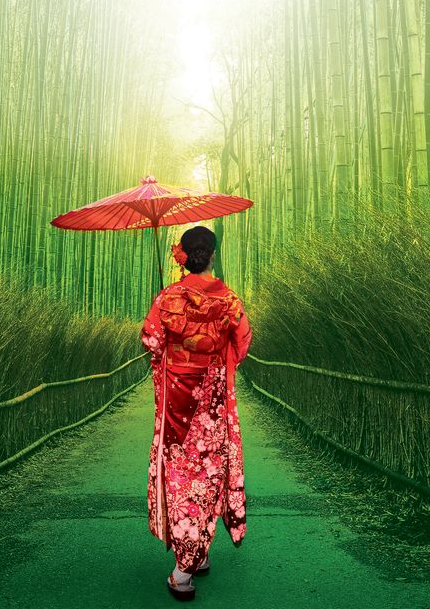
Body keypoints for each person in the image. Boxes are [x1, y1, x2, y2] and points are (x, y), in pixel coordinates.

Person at [140, 225, 252, 601]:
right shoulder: (230, 300)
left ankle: (182, 572)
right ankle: (198, 553)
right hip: (213, 400)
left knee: (182, 477)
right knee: (209, 472)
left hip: (178, 402)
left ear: (183, 256)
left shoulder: (169, 296)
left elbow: (152, 339)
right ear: (213, 255)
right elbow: (243, 342)